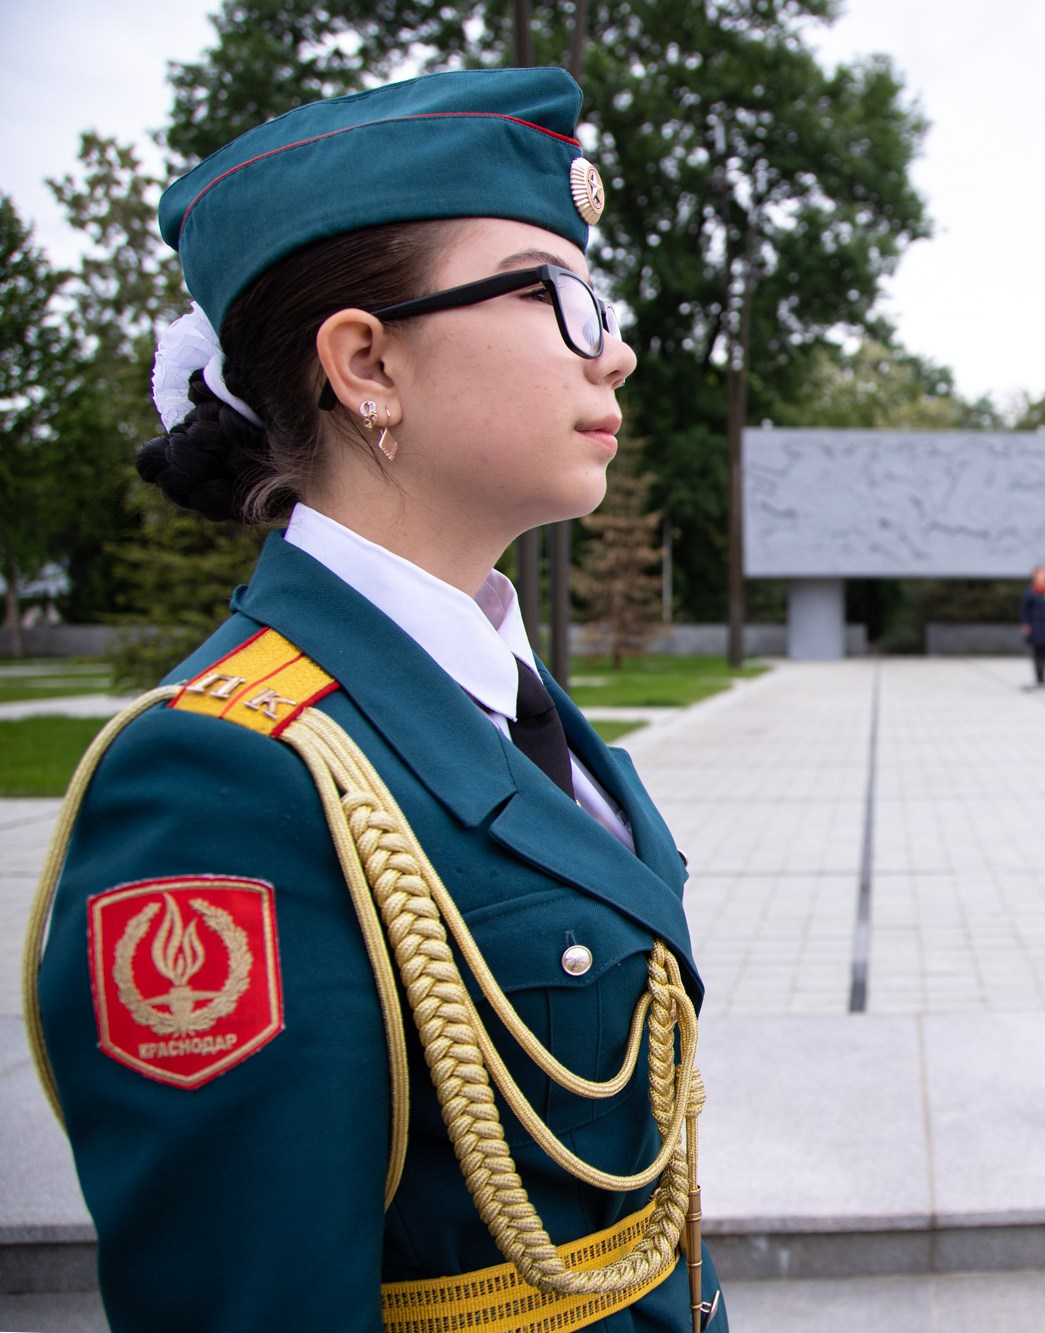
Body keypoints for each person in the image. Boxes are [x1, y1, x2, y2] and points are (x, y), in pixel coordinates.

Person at [22, 69, 724, 1332]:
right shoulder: (222, 781)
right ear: (365, 364)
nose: (612, 345)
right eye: (553, 295)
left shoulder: (500, 695)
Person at [1019, 564, 1045, 686]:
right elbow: (1025, 610)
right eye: (1040, 575)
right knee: (1036, 652)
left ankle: (1044, 676)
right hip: (1035, 627)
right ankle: (1038, 676)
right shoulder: (1030, 593)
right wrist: (1025, 624)